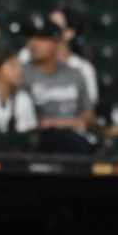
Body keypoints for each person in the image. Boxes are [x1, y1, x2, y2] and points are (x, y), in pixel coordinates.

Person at [21, 16, 95, 154]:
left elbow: (88, 114)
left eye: (41, 39)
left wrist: (64, 123)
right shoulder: (22, 74)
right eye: (32, 38)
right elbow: (24, 121)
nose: (33, 44)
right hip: (38, 143)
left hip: (74, 141)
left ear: (56, 43)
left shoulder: (75, 73)